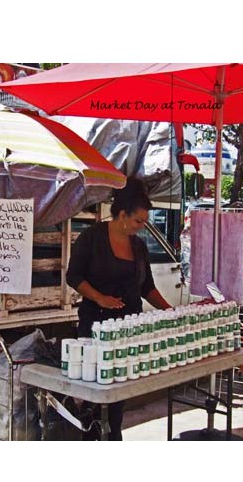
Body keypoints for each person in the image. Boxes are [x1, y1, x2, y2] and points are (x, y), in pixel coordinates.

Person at [66, 177, 172, 440]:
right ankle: (91, 439)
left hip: (127, 330)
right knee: (93, 392)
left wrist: (170, 311)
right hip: (95, 327)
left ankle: (113, 437)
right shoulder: (92, 237)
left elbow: (147, 287)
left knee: (118, 396)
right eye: (138, 221)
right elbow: (74, 276)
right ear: (122, 215)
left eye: (144, 221)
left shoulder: (139, 246)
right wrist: (100, 298)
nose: (142, 226)